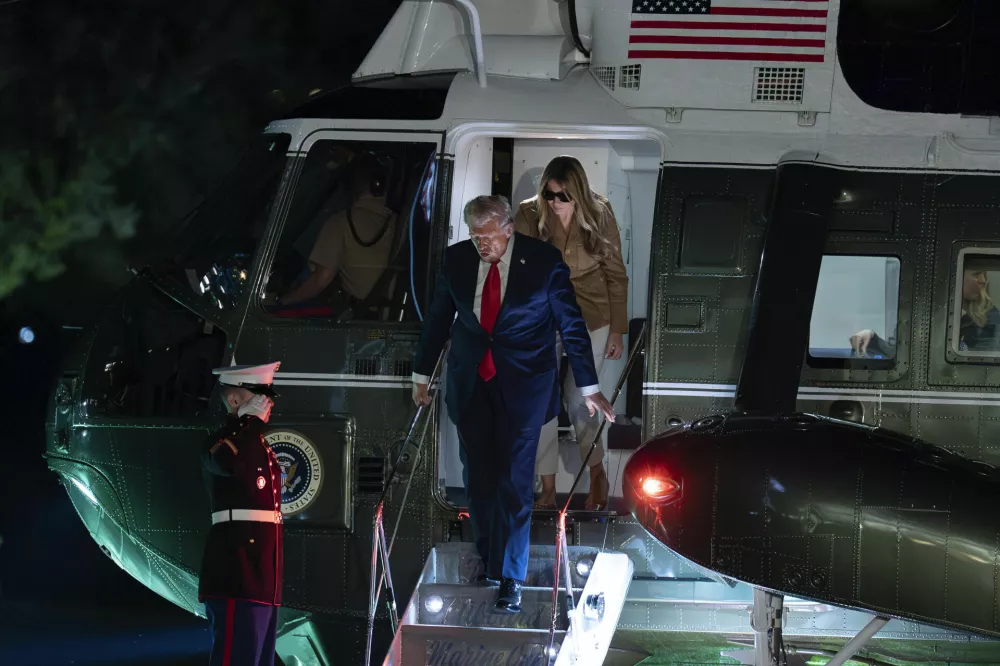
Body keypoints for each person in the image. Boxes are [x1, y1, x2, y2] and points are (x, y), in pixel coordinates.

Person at [411, 195, 615, 613]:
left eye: (488, 237)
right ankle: (488, 561)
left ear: (508, 228)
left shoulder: (543, 261)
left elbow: (572, 325)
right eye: (474, 236)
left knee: (515, 483)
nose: (481, 245)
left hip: (524, 387)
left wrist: (589, 386)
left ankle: (511, 577)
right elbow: (437, 320)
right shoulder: (457, 260)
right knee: (479, 481)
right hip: (471, 384)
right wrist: (421, 375)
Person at [513, 156, 629, 511]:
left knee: (580, 397)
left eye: (563, 196)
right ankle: (547, 487)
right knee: (543, 397)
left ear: (578, 192)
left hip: (592, 312)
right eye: (549, 195)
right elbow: (518, 272)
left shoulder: (599, 212)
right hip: (544, 315)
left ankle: (596, 473)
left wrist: (618, 331)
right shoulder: (529, 214)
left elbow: (615, 273)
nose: (555, 203)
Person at [199, 362, 284, 666]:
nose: (267, 402)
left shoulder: (256, 445)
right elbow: (225, 461)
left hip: (261, 578)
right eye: (258, 395)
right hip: (238, 573)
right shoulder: (224, 442)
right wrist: (250, 424)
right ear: (235, 401)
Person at [278, 154, 397, 307]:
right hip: (385, 313)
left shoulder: (341, 222)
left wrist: (282, 302)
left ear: (350, 186)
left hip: (361, 318)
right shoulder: (395, 220)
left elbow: (320, 280)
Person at [851, 265, 1000, 355]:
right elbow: (904, 357)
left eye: (984, 275)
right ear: (956, 275)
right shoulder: (924, 317)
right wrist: (872, 338)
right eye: (976, 274)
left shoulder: (992, 319)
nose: (983, 280)